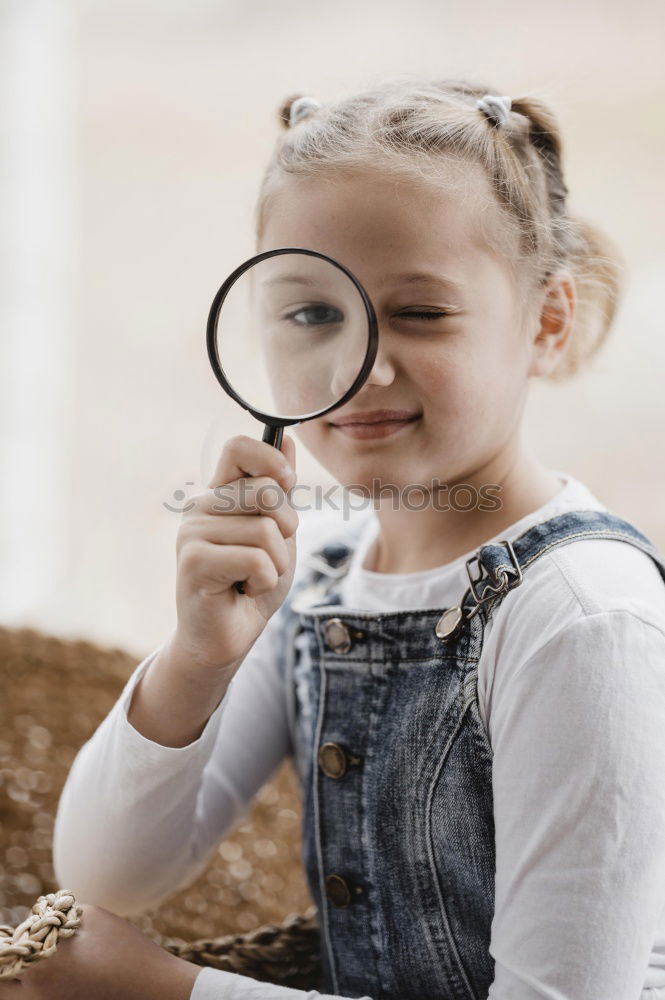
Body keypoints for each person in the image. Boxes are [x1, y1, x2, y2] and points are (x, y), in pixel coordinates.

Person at [49, 79, 665, 1000]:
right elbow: (106, 878)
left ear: (546, 320)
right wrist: (194, 659)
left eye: (420, 313)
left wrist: (170, 991)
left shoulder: (580, 620)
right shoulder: (321, 583)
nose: (362, 367)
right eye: (312, 314)